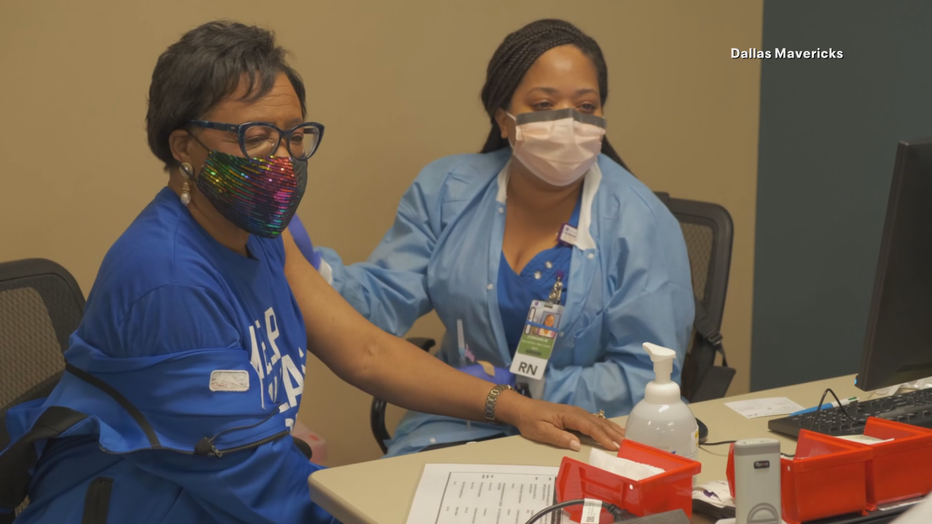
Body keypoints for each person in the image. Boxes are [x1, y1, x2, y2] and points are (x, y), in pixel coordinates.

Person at [0, 21, 624, 524]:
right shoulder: (168, 282)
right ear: (184, 147)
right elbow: (260, 488)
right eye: (255, 137)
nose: (282, 159)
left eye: (294, 135)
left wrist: (510, 407)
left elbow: (366, 352)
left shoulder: (264, 232)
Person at [318, 19, 695, 457]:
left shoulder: (639, 219)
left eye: (586, 106)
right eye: (544, 103)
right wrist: (315, 270)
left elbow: (648, 375)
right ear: (504, 120)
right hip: (457, 420)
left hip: (583, 433)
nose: (568, 121)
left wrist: (520, 389)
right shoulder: (448, 191)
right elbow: (383, 298)